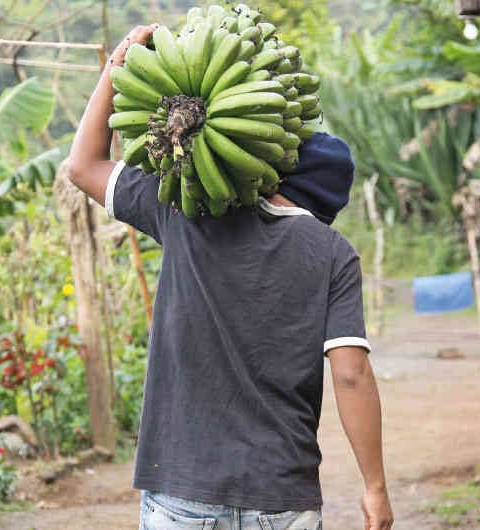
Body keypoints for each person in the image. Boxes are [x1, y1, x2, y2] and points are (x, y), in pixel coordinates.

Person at [66, 26, 393, 530]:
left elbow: (84, 165)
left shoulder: (186, 213)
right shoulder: (333, 253)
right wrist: (374, 487)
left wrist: (117, 66)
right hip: (281, 494)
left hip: (181, 488)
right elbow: (351, 373)